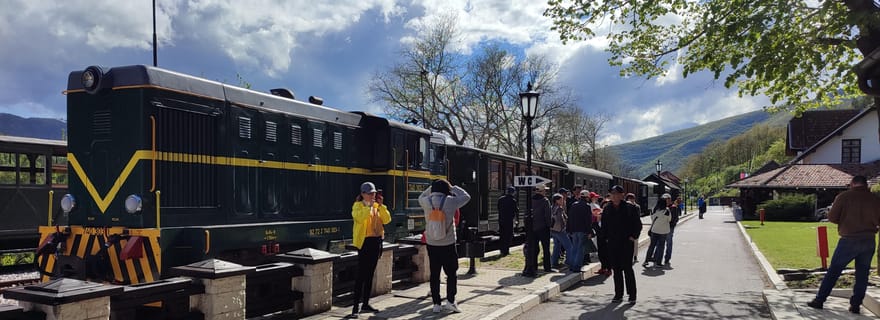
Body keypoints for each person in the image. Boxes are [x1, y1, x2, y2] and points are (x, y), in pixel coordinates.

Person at [807, 176, 880, 314]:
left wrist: (845, 220)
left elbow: (832, 217)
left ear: (852, 183)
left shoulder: (844, 197)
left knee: (834, 270)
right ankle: (856, 305)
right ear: (866, 184)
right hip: (868, 239)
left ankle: (820, 300)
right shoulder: (875, 199)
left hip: (849, 239)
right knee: (862, 274)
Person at [418, 179, 471, 314]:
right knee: (451, 273)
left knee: (434, 273)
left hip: (431, 243)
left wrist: (431, 189)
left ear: (433, 189)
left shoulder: (426, 202)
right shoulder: (450, 201)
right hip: (448, 244)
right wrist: (453, 187)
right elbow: (466, 197)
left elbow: (421, 196)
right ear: (446, 189)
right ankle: (450, 302)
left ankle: (436, 304)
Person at [349, 182, 392, 318]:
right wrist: (368, 206)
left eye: (373, 193)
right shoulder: (358, 206)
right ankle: (355, 307)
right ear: (363, 194)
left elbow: (387, 220)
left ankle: (366, 304)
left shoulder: (377, 206)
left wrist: (381, 206)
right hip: (364, 243)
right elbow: (360, 218)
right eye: (369, 193)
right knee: (361, 275)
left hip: (376, 242)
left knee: (370, 274)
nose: (372, 196)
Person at [600, 185, 643, 303]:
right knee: (616, 269)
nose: (614, 196)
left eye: (616, 194)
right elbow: (604, 225)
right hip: (612, 242)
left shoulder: (630, 208)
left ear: (622, 195)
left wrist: (633, 237)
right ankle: (618, 294)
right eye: (612, 194)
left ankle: (632, 295)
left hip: (626, 242)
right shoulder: (607, 208)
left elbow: (638, 224)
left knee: (628, 268)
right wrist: (605, 238)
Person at [523, 184, 552, 277]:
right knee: (546, 248)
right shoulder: (545, 201)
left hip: (532, 228)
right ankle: (547, 267)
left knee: (534, 248)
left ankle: (534, 266)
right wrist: (549, 225)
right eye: (545, 190)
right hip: (543, 227)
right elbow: (547, 215)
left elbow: (526, 213)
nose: (545, 192)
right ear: (542, 191)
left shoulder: (530, 200)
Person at [567, 190, 593, 272]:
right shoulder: (587, 206)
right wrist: (589, 231)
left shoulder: (574, 205)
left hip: (574, 229)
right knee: (580, 249)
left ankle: (572, 265)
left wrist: (569, 229)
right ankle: (577, 267)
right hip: (583, 229)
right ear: (587, 197)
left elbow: (569, 218)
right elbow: (588, 220)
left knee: (574, 248)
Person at [643, 194, 671, 268]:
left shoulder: (654, 209)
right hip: (663, 231)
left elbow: (652, 218)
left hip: (654, 230)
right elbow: (669, 219)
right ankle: (658, 263)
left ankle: (646, 260)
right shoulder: (667, 211)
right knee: (661, 247)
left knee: (652, 246)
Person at [589, 192, 610, 276]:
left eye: (607, 205)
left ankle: (609, 269)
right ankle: (603, 267)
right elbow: (595, 225)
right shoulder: (599, 214)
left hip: (607, 237)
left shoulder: (610, 215)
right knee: (601, 252)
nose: (605, 206)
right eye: (604, 205)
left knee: (607, 253)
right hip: (599, 236)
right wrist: (597, 220)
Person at [550, 193, 572, 269]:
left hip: (553, 230)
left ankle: (554, 263)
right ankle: (568, 262)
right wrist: (565, 227)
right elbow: (561, 220)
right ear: (557, 200)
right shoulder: (559, 209)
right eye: (561, 199)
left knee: (557, 246)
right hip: (560, 230)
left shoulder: (551, 207)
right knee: (569, 246)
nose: (563, 201)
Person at [497, 186, 519, 256]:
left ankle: (501, 250)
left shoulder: (500, 199)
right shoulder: (513, 200)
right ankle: (506, 250)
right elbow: (516, 210)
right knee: (508, 235)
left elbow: (498, 208)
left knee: (502, 235)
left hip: (501, 220)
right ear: (513, 193)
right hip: (509, 220)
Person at [664, 196, 681, 266]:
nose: (667, 202)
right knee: (661, 243)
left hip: (670, 228)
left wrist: (672, 225)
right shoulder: (663, 207)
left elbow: (676, 218)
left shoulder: (673, 208)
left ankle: (667, 258)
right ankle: (657, 257)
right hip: (663, 227)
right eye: (666, 200)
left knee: (669, 243)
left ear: (670, 201)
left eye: (668, 200)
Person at [625, 193, 641, 264]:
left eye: (632, 198)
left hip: (634, 230)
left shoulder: (637, 207)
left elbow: (638, 221)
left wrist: (635, 234)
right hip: (627, 231)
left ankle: (635, 256)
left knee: (635, 243)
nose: (631, 200)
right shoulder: (624, 206)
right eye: (630, 198)